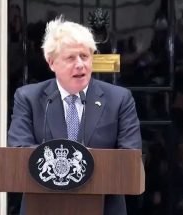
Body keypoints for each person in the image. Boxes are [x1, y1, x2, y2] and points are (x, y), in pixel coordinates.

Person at [8, 16, 142, 215]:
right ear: (51, 62)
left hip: (104, 208)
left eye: (85, 56)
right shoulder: (28, 98)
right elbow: (18, 152)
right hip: (43, 208)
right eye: (71, 58)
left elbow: (129, 159)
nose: (80, 64)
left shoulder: (119, 99)